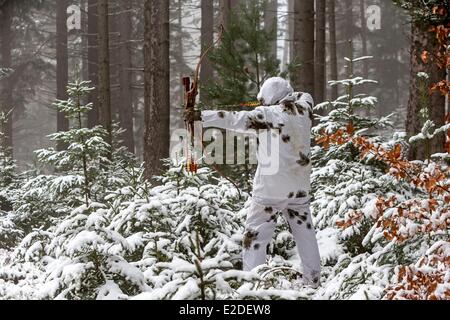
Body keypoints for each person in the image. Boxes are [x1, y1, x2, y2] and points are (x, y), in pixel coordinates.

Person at [185, 77, 321, 288]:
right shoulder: (305, 108)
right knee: (306, 235)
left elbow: (234, 119)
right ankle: (312, 282)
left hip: (270, 191)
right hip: (299, 189)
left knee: (255, 235)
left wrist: (199, 116)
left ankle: (251, 283)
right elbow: (303, 95)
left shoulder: (268, 115)